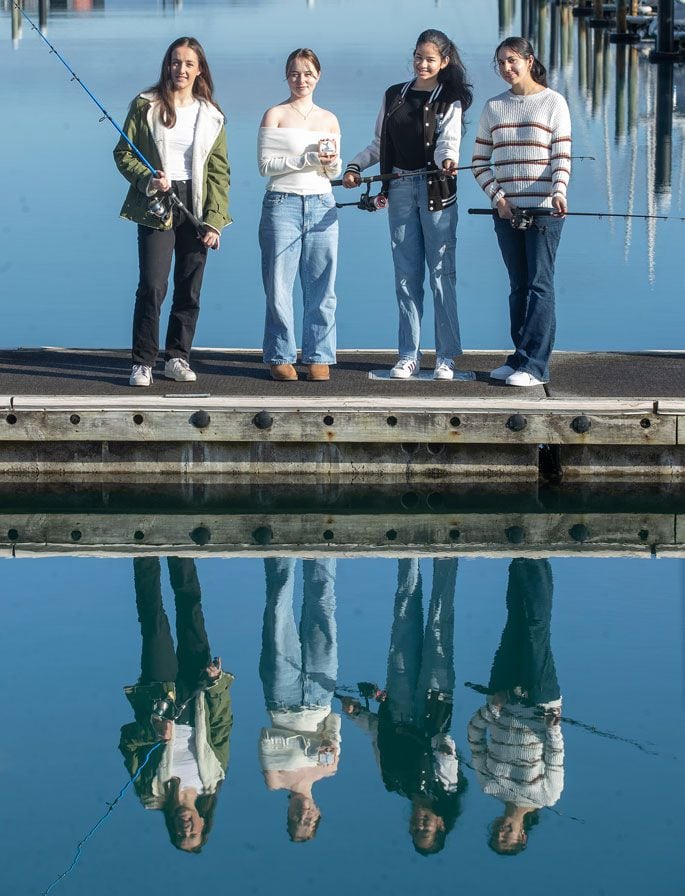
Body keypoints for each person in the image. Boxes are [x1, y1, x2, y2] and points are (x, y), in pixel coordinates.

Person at [342, 29, 472, 381]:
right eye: (418, 57)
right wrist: (355, 166)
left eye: (430, 59)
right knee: (405, 276)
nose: (422, 64)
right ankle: (408, 356)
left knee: (441, 274)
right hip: (398, 187)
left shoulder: (451, 100)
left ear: (444, 62)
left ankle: (445, 358)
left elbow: (449, 144)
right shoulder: (394, 95)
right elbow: (378, 143)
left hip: (436, 191)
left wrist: (447, 161)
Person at [114, 37, 230, 388]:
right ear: (167, 66)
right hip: (156, 202)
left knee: (189, 288)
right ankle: (143, 362)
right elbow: (123, 153)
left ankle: (177, 357)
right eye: (175, 62)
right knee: (152, 285)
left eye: (188, 64)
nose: (181, 69)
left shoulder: (212, 114)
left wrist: (215, 220)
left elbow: (219, 173)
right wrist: (148, 179)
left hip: (194, 204)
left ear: (199, 70)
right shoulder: (144, 105)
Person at [341, 559, 466, 855]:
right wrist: (439, 751)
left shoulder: (392, 781)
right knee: (438, 627)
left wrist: (357, 713)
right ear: (440, 824)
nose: (420, 824)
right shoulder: (445, 788)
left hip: (397, 703)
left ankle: (408, 553)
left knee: (403, 623)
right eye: (427, 829)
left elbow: (379, 737)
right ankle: (446, 555)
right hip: (433, 704)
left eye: (415, 829)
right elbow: (444, 744)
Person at [471, 36, 571, 387]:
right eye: (500, 63)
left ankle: (536, 366)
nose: (506, 68)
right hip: (507, 211)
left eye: (512, 60)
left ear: (529, 60)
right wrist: (498, 198)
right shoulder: (494, 107)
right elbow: (479, 162)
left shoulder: (553, 102)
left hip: (544, 210)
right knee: (517, 286)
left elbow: (561, 156)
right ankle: (519, 358)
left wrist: (559, 191)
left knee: (539, 286)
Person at [119, 557, 234, 852]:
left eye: (180, 835)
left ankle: (143, 551)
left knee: (154, 623)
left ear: (171, 828)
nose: (186, 829)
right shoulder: (213, 777)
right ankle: (180, 550)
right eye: (193, 834)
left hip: (162, 696)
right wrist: (217, 682)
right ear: (203, 823)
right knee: (191, 612)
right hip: (197, 692)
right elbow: (222, 724)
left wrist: (154, 732)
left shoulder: (151, 792)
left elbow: (127, 743)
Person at [466, 559, 564, 855]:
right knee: (536, 631)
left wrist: (493, 709)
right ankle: (539, 558)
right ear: (522, 837)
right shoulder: (548, 796)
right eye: (507, 837)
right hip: (539, 702)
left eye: (496, 834)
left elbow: (474, 736)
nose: (502, 831)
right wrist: (552, 727)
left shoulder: (488, 786)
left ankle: (518, 559)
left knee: (514, 623)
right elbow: (555, 754)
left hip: (503, 695)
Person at [258, 48, 341, 382]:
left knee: (323, 285)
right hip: (283, 204)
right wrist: (307, 159)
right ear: (286, 76)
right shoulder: (275, 114)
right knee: (279, 285)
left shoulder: (329, 119)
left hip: (322, 203)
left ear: (318, 76)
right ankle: (280, 353)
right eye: (294, 73)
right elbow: (265, 166)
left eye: (307, 73)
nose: (301, 79)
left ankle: (319, 354)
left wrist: (330, 161)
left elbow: (332, 169)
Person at [258, 558, 340, 841]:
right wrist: (319, 743)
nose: (302, 815)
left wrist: (313, 749)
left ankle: (280, 548)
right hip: (320, 696)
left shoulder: (276, 781)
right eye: (309, 820)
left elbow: (269, 740)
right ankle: (322, 546)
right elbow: (332, 724)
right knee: (323, 608)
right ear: (317, 813)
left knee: (279, 609)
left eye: (296, 820)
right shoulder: (329, 771)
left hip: (283, 699)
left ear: (289, 815)